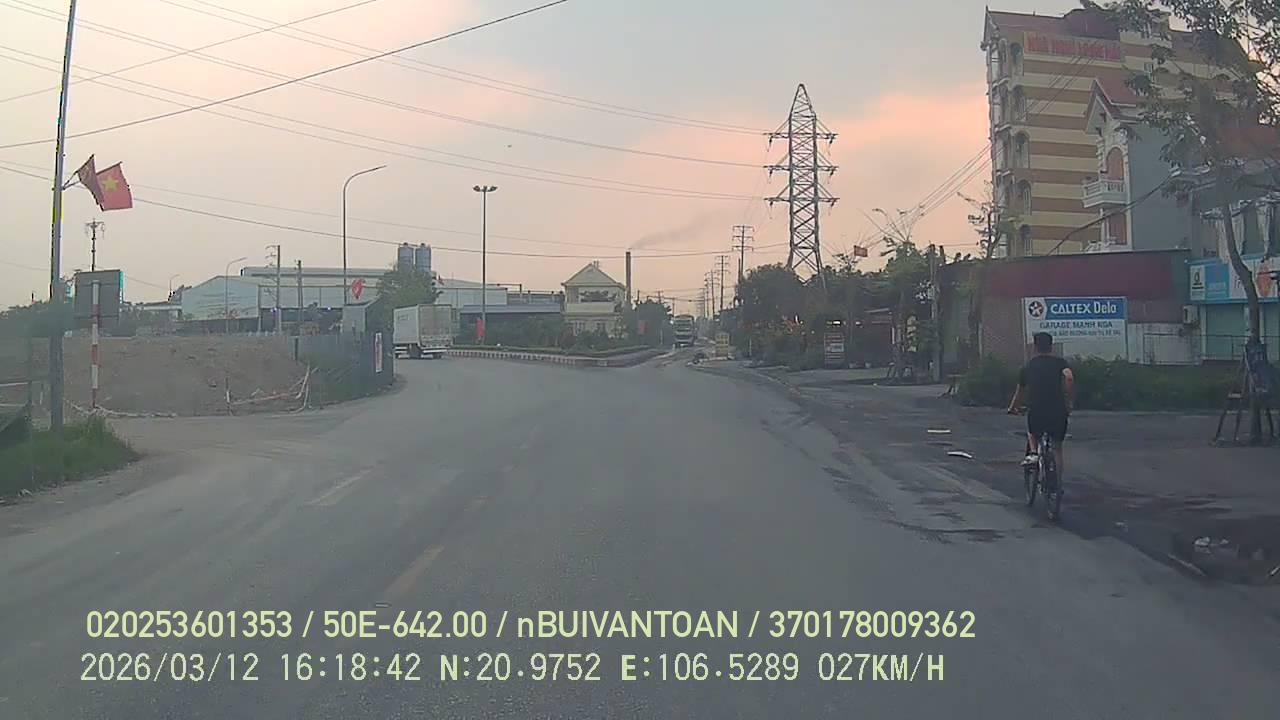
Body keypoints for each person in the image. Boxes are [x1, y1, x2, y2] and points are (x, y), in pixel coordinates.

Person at [1007, 331, 1074, 480]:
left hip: (1037, 410)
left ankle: (1033, 454)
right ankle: (1057, 483)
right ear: (1051, 346)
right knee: (1057, 447)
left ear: (1035, 347)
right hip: (1058, 410)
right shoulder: (1060, 363)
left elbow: (1019, 392)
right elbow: (1069, 377)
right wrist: (1069, 401)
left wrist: (1012, 408)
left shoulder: (1028, 367)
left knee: (1032, 433)